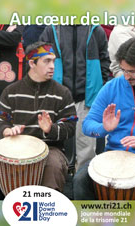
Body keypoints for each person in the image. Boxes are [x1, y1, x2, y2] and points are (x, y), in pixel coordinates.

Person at [73, 37, 135, 200]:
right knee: (80, 180)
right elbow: (87, 126)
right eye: (123, 70)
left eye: (132, 71)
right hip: (113, 154)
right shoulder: (112, 87)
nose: (126, 76)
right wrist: (104, 128)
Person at [0, 41, 77, 193]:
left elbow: (71, 126)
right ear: (32, 63)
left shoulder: (62, 93)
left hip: (50, 149)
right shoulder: (11, 91)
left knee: (53, 167)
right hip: (15, 149)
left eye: (53, 61)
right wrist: (5, 130)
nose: (52, 66)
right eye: (46, 61)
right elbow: (0, 118)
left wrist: (50, 129)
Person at [39, 25, 111, 170]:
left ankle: (82, 184)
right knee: (52, 142)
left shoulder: (95, 29)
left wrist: (98, 85)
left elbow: (104, 59)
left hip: (86, 98)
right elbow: (40, 59)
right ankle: (56, 181)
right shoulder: (52, 29)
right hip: (57, 97)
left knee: (87, 148)